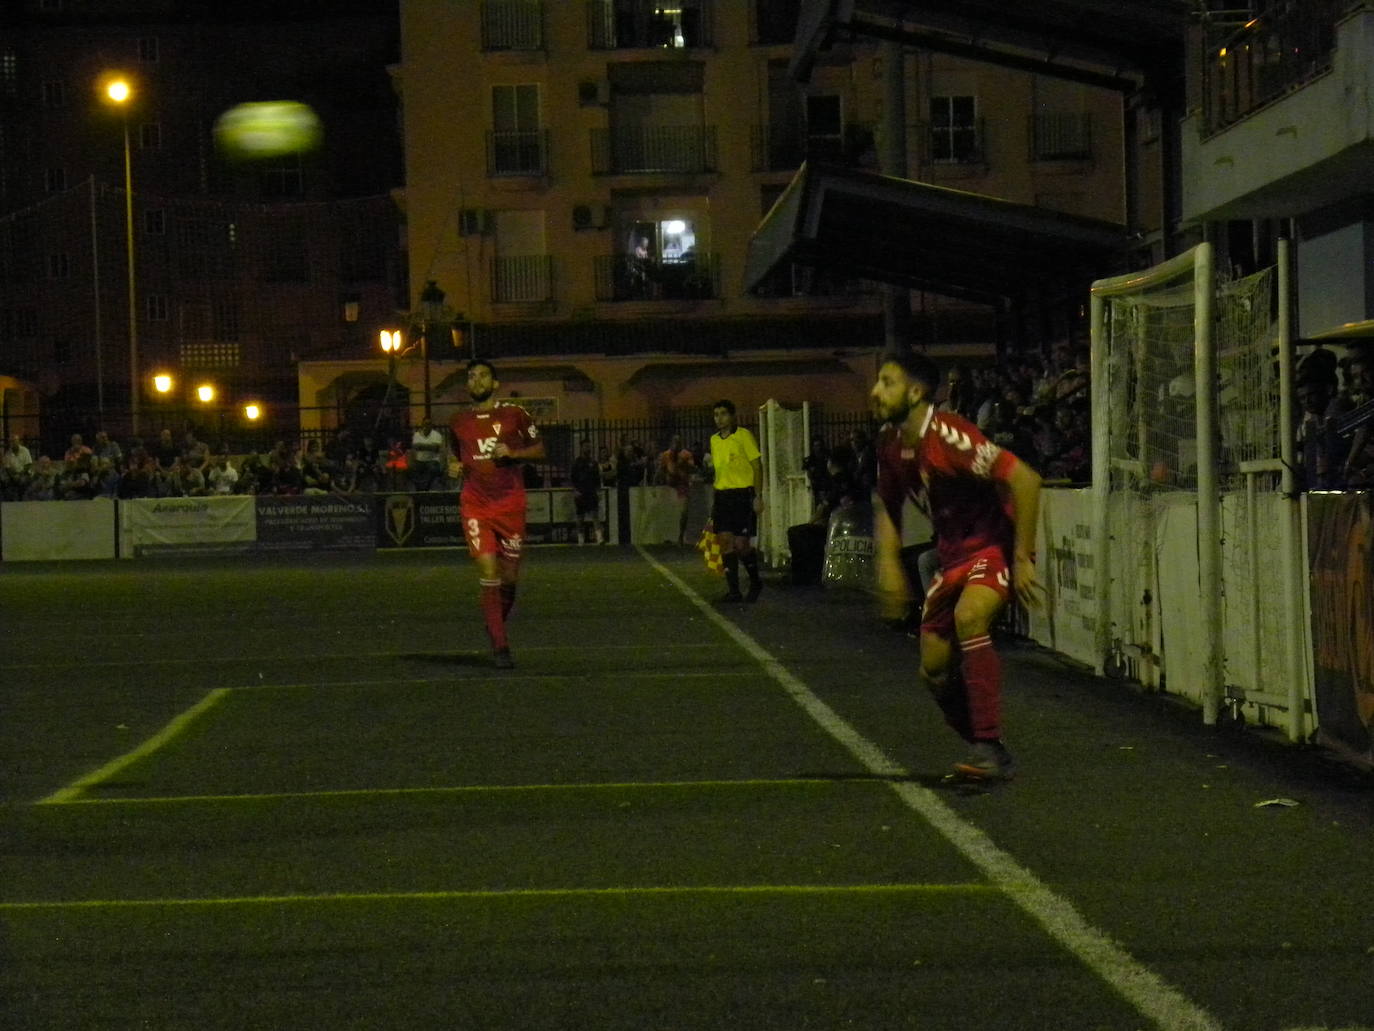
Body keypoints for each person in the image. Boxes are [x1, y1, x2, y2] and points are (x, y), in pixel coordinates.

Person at [870, 351, 1043, 783]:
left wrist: (1022, 558)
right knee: (933, 671)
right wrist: (889, 563)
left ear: (916, 391)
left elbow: (1025, 478)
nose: (875, 391)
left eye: (887, 382)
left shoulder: (949, 435)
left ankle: (986, 746)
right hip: (951, 558)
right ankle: (989, 749)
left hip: (990, 548)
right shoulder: (891, 445)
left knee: (971, 617)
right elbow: (887, 506)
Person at [449, 359, 545, 668]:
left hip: (510, 504)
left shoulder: (515, 415)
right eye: (471, 376)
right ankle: (500, 645)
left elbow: (540, 450)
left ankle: (494, 623)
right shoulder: (458, 421)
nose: (475, 380)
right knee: (489, 574)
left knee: (510, 579)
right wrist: (452, 465)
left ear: (495, 384)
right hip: (475, 504)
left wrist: (513, 453)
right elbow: (453, 453)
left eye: (482, 376)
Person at [708, 399, 764, 602]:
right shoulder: (714, 440)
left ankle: (756, 581)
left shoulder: (743, 436)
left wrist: (758, 495)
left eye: (723, 414)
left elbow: (757, 466)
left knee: (741, 545)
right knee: (725, 542)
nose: (719, 418)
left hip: (742, 495)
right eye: (716, 414)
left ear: (732, 416)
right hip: (723, 496)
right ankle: (734, 591)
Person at [656, 433, 695, 545]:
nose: (676, 445)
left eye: (678, 442)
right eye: (674, 442)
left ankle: (681, 535)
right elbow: (660, 470)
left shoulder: (686, 454)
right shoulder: (666, 455)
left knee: (684, 511)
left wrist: (683, 464)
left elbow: (693, 468)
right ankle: (670, 535)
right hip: (670, 486)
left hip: (682, 486)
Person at [569, 440, 603, 544]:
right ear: (581, 448)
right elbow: (572, 479)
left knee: (595, 515)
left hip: (591, 492)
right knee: (580, 517)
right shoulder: (576, 463)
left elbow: (597, 479)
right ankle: (580, 539)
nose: (588, 448)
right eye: (585, 446)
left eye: (589, 446)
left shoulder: (594, 463)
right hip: (580, 493)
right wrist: (575, 491)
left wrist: (598, 491)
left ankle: (599, 538)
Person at [410, 416, 446, 491]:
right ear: (422, 424)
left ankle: (425, 488)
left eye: (429, 424)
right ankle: (419, 489)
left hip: (432, 460)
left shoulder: (437, 435)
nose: (427, 425)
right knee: (412, 470)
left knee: (432, 469)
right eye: (425, 424)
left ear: (431, 425)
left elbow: (436, 448)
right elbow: (415, 447)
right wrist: (430, 446)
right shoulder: (417, 435)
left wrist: (421, 446)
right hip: (419, 461)